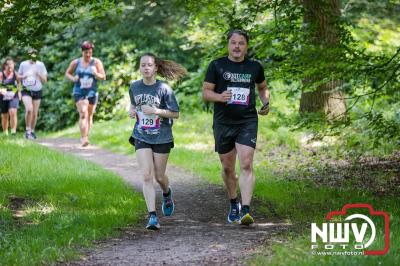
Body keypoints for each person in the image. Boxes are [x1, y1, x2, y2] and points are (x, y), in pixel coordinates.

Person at [202, 29, 270, 225]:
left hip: (247, 120)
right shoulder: (217, 65)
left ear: (246, 46)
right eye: (234, 43)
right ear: (228, 45)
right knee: (227, 167)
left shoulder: (255, 66)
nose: (237, 46)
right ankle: (234, 203)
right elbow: (206, 92)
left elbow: (262, 87)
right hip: (223, 122)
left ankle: (246, 210)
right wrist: (219, 97)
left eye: (241, 43)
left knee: (247, 163)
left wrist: (265, 102)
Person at [128, 53, 186, 230]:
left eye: (149, 65)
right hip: (141, 135)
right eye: (143, 65)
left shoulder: (164, 89)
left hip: (162, 136)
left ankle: (167, 193)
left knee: (159, 177)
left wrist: (156, 111)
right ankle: (152, 216)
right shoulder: (134, 87)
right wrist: (132, 111)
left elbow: (175, 113)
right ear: (140, 68)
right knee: (146, 175)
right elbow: (133, 105)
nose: (146, 68)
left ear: (155, 68)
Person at [65, 41, 106, 147]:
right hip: (79, 91)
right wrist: (73, 78)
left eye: (90, 52)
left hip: (92, 91)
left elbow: (103, 77)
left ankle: (85, 135)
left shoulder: (96, 62)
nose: (88, 55)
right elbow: (67, 73)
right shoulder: (76, 62)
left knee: (90, 115)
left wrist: (96, 73)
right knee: (83, 113)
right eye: (86, 53)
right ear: (82, 52)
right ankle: (84, 138)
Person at [18, 48, 48, 140]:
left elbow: (45, 80)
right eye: (31, 54)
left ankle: (32, 131)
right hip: (26, 90)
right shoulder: (23, 64)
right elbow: (18, 77)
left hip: (37, 90)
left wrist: (39, 74)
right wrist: (23, 76)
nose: (33, 56)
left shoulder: (41, 65)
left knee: (35, 113)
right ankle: (27, 131)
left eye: (34, 54)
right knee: (29, 109)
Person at [0, 58, 21, 136]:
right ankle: (5, 132)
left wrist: (19, 92)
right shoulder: (1, 74)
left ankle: (13, 132)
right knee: (4, 115)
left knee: (13, 112)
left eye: (11, 64)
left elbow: (19, 83)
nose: (10, 67)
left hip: (13, 96)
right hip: (3, 96)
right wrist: (1, 90)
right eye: (8, 65)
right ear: (5, 66)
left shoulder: (16, 74)